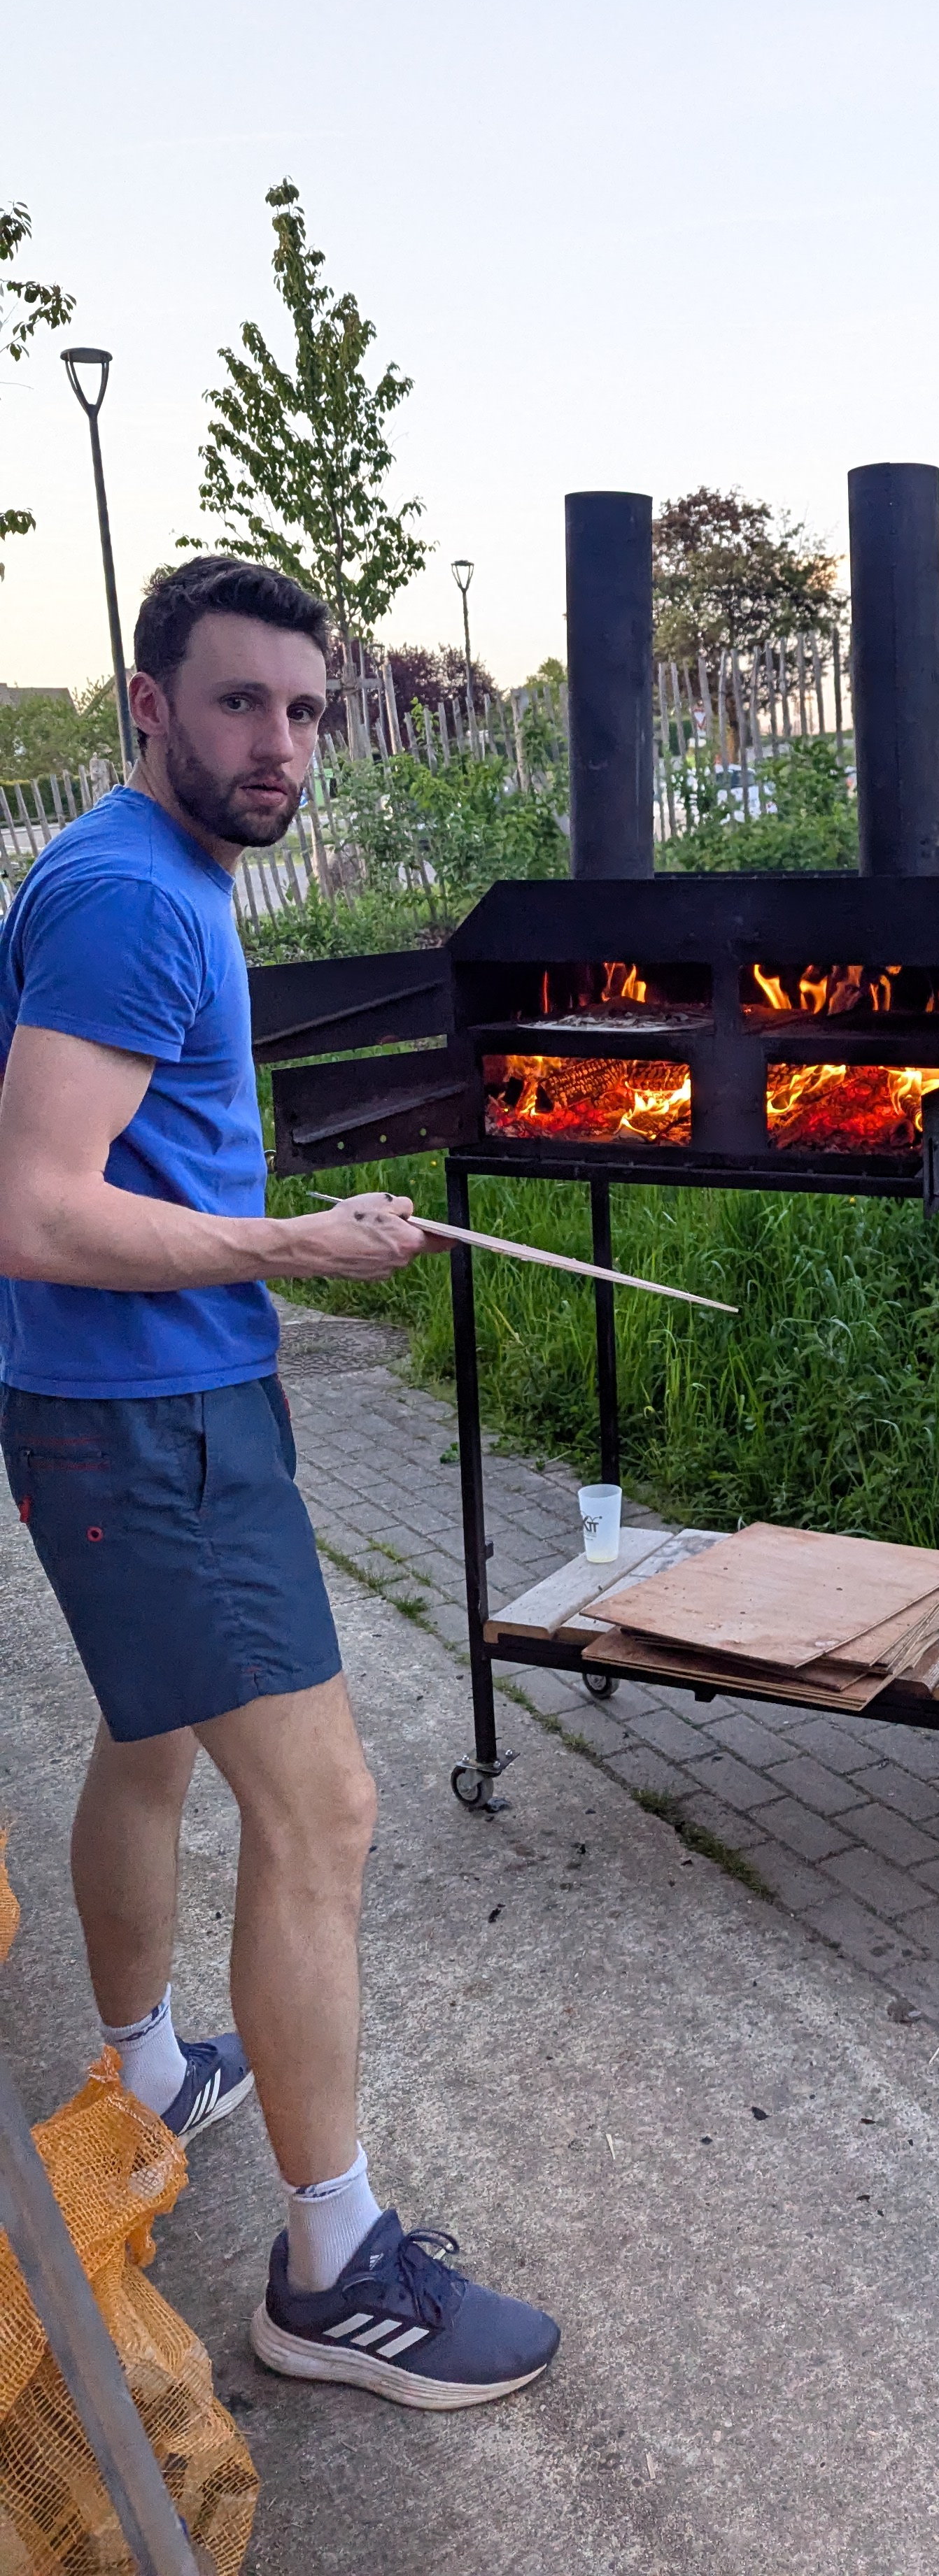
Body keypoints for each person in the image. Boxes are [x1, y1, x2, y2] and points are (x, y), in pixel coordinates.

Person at [0, 556, 559, 2410]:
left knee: (152, 1739)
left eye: (306, 709)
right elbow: (41, 1205)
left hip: (134, 1403)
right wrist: (291, 1248)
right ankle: (335, 2271)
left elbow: (120, 1147)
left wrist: (280, 1226)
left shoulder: (134, 872)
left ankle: (149, 2062)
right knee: (323, 1813)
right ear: (147, 706)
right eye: (240, 703)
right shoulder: (128, 903)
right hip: (145, 1417)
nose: (280, 743)